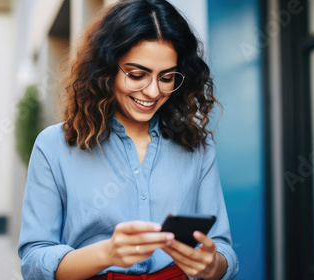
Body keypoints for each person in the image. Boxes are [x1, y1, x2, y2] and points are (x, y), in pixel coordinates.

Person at [18, 0, 239, 279]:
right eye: (137, 75)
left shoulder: (195, 147)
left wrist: (212, 265)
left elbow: (223, 248)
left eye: (167, 77)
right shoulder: (54, 146)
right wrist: (105, 254)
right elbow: (34, 261)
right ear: (106, 69)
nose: (152, 91)